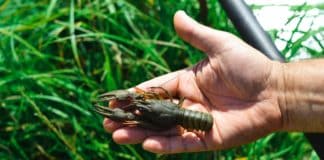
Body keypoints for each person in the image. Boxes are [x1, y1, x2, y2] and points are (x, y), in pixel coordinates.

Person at [103, 11, 324, 154]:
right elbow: (153, 102)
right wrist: (280, 89)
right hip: (188, 117)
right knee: (141, 109)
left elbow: (148, 117)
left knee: (139, 118)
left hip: (196, 120)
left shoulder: (163, 109)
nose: (140, 104)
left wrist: (281, 89)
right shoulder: (163, 104)